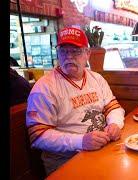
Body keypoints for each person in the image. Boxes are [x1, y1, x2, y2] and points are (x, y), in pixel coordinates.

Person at [26, 27, 125, 175]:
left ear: (87, 54)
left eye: (76, 51)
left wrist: (115, 124)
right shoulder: (44, 88)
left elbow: (113, 108)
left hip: (102, 152)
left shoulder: (96, 79)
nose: (69, 57)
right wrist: (80, 141)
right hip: (65, 164)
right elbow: (38, 136)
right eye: (64, 51)